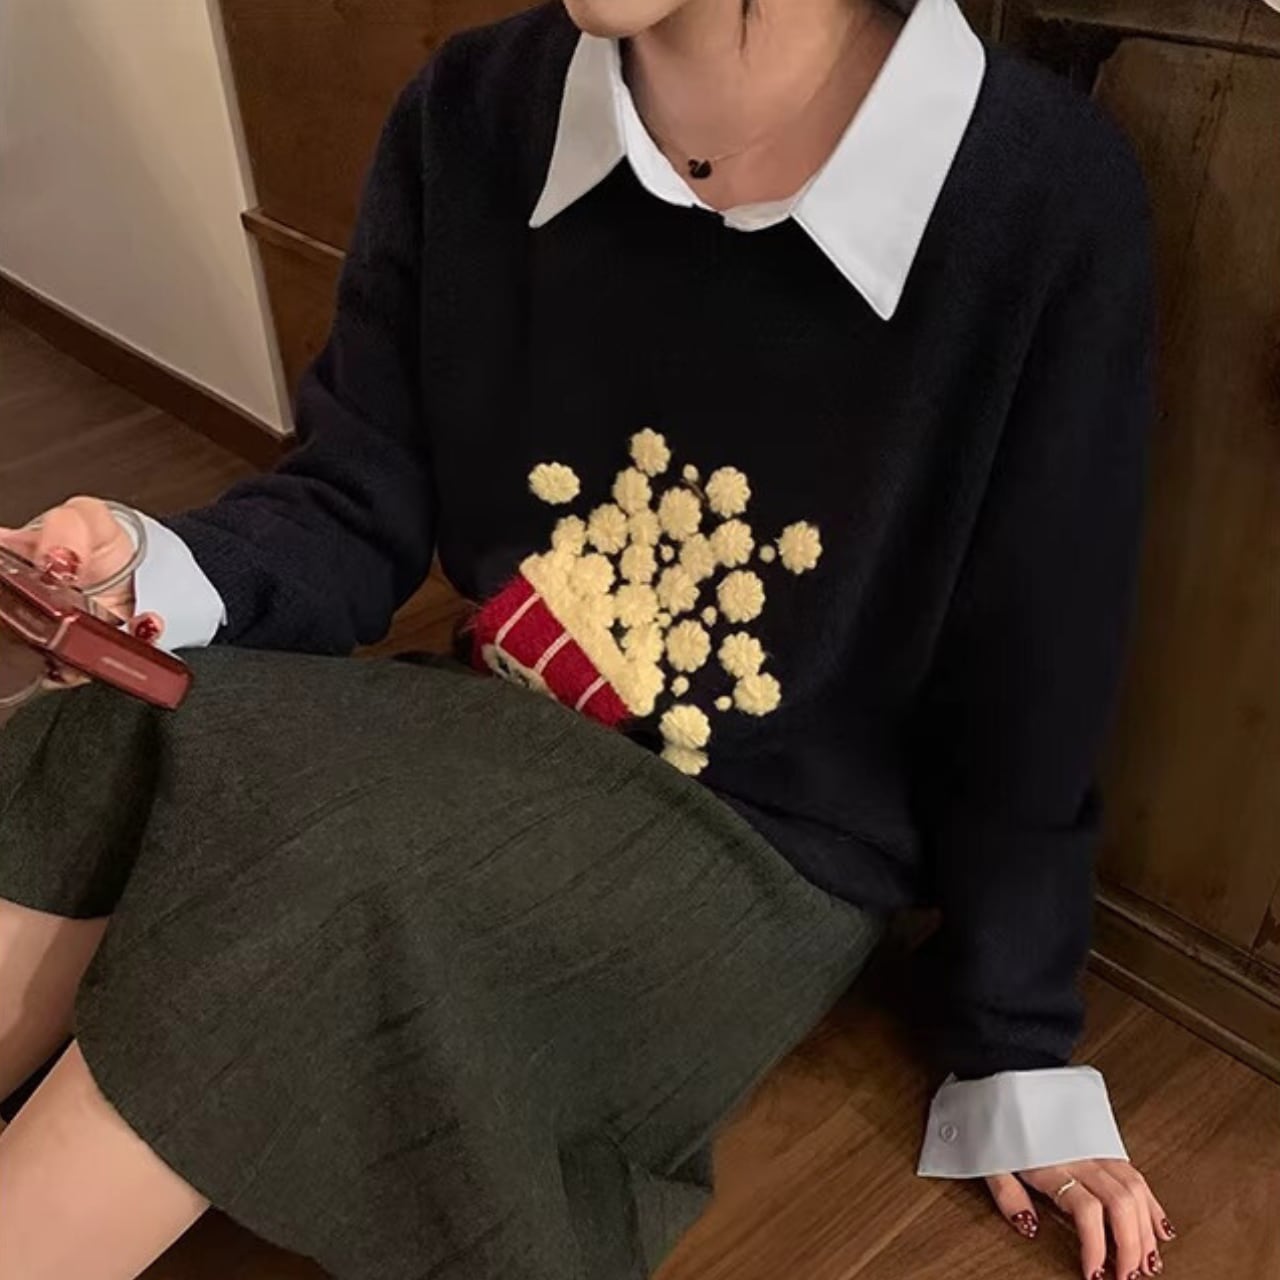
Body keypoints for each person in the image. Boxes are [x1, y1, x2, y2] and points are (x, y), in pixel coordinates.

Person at [0, 1, 1170, 1277]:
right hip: (490, 717)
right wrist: (152, 570)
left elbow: (1035, 676)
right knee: (103, 729)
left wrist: (1012, 1045)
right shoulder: (472, 107)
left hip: (762, 839)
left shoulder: (1038, 193)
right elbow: (356, 491)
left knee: (334, 887)